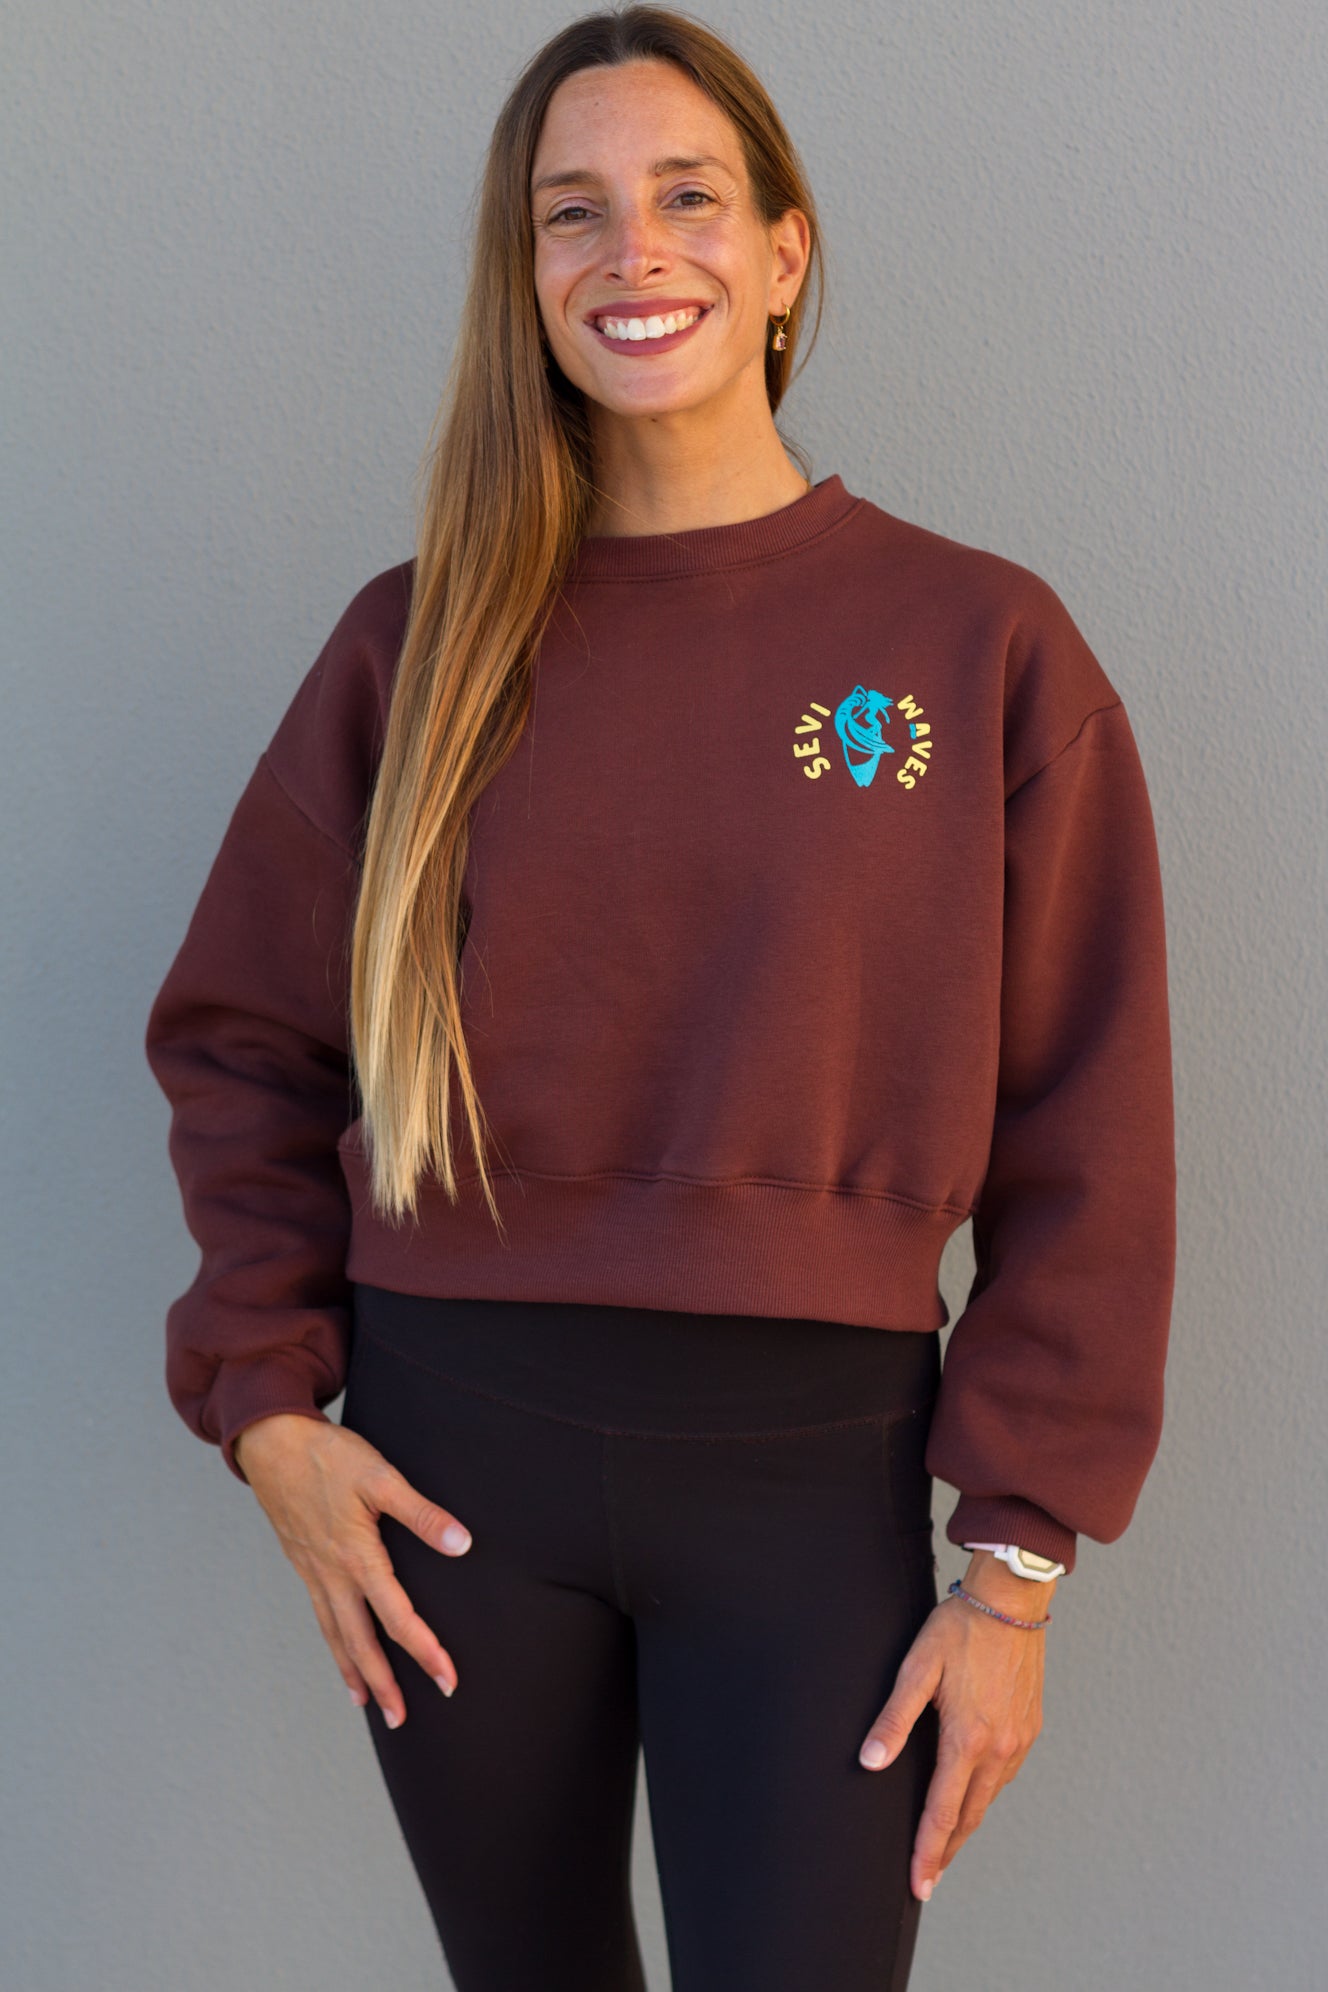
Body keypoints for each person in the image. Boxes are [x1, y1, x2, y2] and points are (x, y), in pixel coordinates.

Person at [143, 7, 1177, 1988]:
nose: (636, 254)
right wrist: (266, 1407)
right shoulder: (417, 646)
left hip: (809, 1480)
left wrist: (1019, 1565)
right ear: (522, 280)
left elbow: (1090, 1129)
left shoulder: (975, 650)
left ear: (783, 254)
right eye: (573, 214)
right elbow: (240, 1041)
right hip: (448, 1468)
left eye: (688, 198)